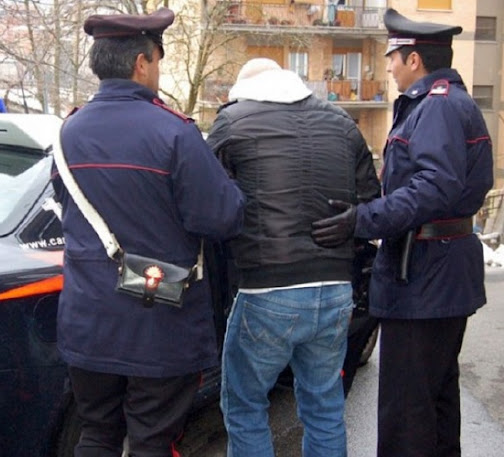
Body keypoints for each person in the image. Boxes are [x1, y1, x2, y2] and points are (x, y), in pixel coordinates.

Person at [51, 7, 245, 457]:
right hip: (159, 322)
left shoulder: (68, 132)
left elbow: (68, 208)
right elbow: (221, 218)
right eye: (157, 59)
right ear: (142, 62)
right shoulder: (174, 133)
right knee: (152, 441)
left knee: (96, 434)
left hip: (89, 322)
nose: (157, 70)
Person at [311, 8, 494, 457]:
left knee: (407, 412)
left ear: (414, 60)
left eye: (393, 57)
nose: (389, 67)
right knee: (435, 402)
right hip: (437, 271)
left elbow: (433, 186)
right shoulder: (446, 103)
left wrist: (363, 219)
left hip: (425, 276)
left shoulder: (436, 106)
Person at [206, 58, 380, 457]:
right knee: (324, 405)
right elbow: (371, 202)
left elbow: (206, 199)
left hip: (268, 289)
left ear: (244, 90)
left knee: (246, 403)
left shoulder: (232, 123)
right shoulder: (342, 124)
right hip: (336, 287)